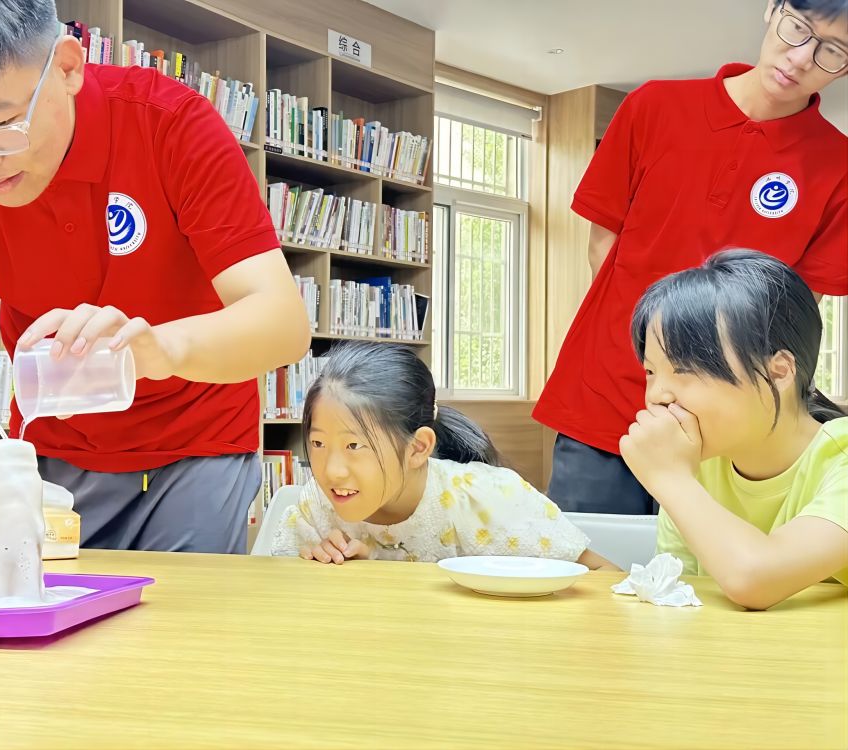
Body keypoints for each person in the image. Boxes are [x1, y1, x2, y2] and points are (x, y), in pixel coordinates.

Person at [0, 0, 311, 553]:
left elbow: (283, 324)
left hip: (198, 437)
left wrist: (159, 348)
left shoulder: (168, 121)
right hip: (52, 443)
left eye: (0, 127)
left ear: (67, 66)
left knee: (182, 630)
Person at [534, 0, 848, 515]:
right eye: (798, 30)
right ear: (773, 10)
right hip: (608, 396)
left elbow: (798, 305)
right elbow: (602, 245)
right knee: (583, 571)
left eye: (831, 51)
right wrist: (647, 357)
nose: (800, 58)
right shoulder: (653, 106)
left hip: (728, 428)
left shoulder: (838, 166)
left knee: (703, 583)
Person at [620, 249, 848, 610]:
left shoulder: (841, 459)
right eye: (650, 372)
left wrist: (673, 480)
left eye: (685, 369)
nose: (657, 396)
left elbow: (753, 579)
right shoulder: (697, 465)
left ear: (780, 371)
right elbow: (678, 591)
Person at [267, 342, 617, 569]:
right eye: (317, 445)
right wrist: (319, 569)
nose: (332, 471)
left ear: (418, 447)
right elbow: (277, 595)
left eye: (354, 446)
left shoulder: (489, 500)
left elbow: (604, 578)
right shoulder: (318, 507)